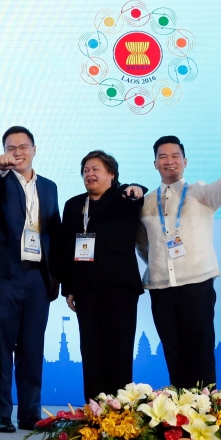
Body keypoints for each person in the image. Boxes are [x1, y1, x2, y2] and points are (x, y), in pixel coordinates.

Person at [136, 136, 221, 389]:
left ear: (184, 161)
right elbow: (143, 244)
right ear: (155, 164)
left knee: (201, 348)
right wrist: (157, 264)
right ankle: (179, 415)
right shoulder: (146, 203)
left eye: (175, 156)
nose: (169, 161)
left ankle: (205, 414)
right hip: (161, 286)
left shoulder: (202, 193)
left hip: (197, 282)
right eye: (162, 157)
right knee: (172, 351)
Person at [0, 125, 61, 432]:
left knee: (31, 349)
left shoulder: (49, 186)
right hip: (4, 277)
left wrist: (57, 277)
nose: (17, 153)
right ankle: (1, 414)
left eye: (22, 147)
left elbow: (56, 233)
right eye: (10, 148)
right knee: (0, 348)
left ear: (34, 149)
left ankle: (30, 413)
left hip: (38, 278)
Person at [53, 150, 145, 401]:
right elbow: (65, 248)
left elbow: (139, 193)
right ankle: (94, 412)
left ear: (112, 174)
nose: (89, 174)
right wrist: (69, 287)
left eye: (96, 169)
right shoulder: (74, 205)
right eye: (86, 170)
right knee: (90, 351)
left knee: (119, 349)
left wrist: (135, 188)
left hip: (119, 288)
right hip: (85, 289)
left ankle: (120, 413)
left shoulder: (124, 198)